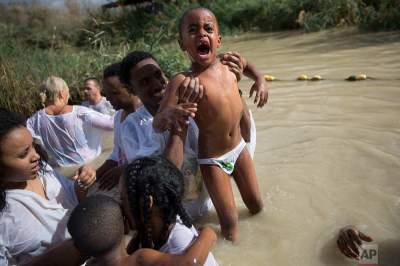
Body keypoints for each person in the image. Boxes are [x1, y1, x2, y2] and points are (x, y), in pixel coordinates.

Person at [154, 7, 266, 241]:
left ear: (219, 39)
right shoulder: (183, 81)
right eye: (192, 30)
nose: (201, 35)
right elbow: (158, 123)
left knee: (256, 205)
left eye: (208, 29)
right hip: (212, 159)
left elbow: (249, 67)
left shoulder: (229, 63)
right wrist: (172, 112)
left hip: (239, 148)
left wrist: (261, 81)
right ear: (182, 43)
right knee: (229, 222)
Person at [0, 108, 96, 266]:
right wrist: (64, 255)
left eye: (33, 146)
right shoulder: (5, 216)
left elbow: (72, 197)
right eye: (23, 154)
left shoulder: (43, 170)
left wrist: (82, 182)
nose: (36, 156)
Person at [68, 194, 218, 266]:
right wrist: (208, 234)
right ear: (126, 226)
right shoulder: (140, 259)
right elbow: (189, 264)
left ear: (78, 247)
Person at [121, 156, 218, 265]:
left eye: (123, 199)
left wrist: (208, 234)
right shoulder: (152, 229)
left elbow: (190, 264)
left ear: (148, 203)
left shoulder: (178, 239)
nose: (120, 205)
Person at [27, 76, 114, 168]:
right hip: (88, 166)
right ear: (61, 93)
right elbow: (112, 124)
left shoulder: (35, 119)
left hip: (61, 171)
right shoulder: (79, 112)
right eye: (68, 91)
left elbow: (26, 137)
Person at [95, 63, 142, 192]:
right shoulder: (118, 116)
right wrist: (95, 174)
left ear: (131, 88)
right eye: (107, 93)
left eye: (114, 93)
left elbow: (154, 155)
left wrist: (124, 170)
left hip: (141, 179)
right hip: (124, 177)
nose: (108, 99)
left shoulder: (146, 117)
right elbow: (117, 154)